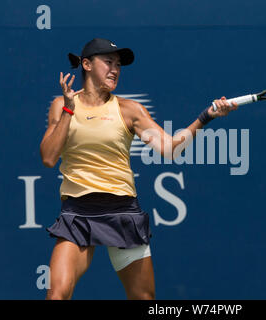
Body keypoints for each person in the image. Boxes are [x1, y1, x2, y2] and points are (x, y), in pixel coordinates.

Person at [40, 38, 238, 300]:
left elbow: (170, 149)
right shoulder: (61, 104)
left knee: (144, 299)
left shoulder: (130, 110)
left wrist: (206, 117)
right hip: (78, 214)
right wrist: (68, 109)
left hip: (122, 212)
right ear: (86, 64)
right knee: (57, 296)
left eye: (118, 65)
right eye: (108, 62)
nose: (115, 70)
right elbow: (49, 158)